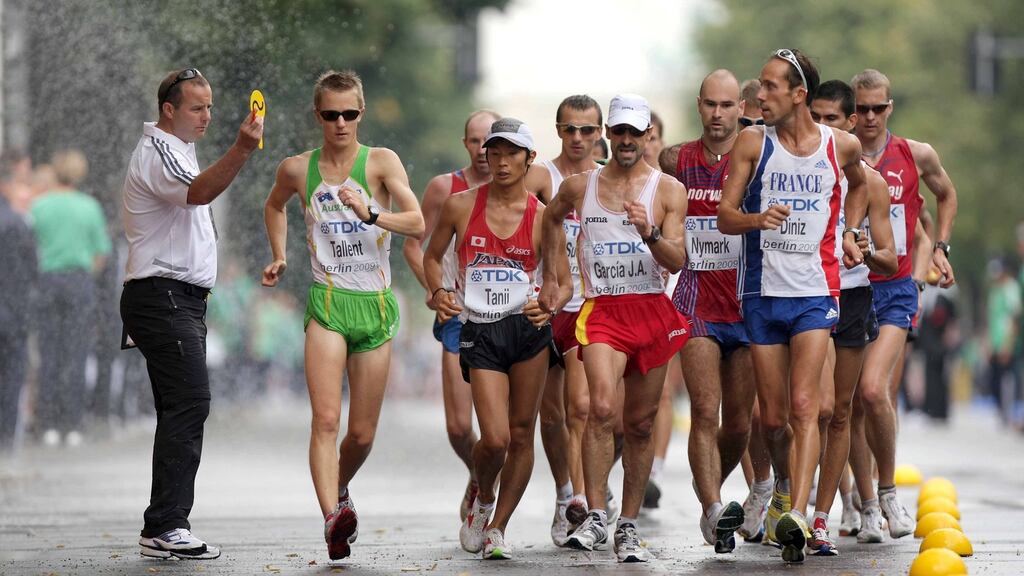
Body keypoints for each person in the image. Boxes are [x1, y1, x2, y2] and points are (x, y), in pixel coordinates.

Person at [261, 70, 423, 561]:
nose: (340, 123)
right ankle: (332, 517)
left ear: (361, 113)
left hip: (374, 307)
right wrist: (280, 253)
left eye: (349, 114)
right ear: (318, 115)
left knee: (361, 433)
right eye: (330, 114)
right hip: (328, 304)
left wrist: (371, 214)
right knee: (326, 420)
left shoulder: (380, 163)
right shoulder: (297, 169)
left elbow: (416, 222)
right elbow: (274, 207)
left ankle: (340, 486)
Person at [717, 49, 868, 563]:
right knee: (774, 417)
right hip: (762, 292)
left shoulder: (839, 146)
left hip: (815, 292)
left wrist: (849, 230)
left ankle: (796, 517)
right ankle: (784, 486)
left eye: (770, 87)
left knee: (808, 408)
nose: (760, 95)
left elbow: (863, 186)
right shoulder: (751, 144)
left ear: (798, 94)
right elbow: (723, 217)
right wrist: (757, 220)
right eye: (760, 86)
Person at [540, 93, 690, 563]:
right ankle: (596, 514)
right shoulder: (580, 187)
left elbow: (679, 258)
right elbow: (548, 220)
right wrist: (557, 279)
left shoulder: (667, 191)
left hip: (649, 310)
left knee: (641, 424)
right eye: (618, 131)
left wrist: (649, 233)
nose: (626, 140)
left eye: (634, 132)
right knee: (600, 407)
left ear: (648, 136)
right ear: (610, 133)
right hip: (601, 309)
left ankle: (627, 524)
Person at [121, 67, 263, 560]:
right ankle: (165, 524)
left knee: (179, 406)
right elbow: (199, 192)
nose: (207, 116)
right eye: (197, 108)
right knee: (191, 402)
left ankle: (163, 523)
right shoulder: (159, 151)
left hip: (176, 298)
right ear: (169, 109)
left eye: (210, 107)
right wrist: (243, 149)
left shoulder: (181, 149)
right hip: (161, 295)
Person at [425, 117, 571, 560]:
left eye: (512, 152)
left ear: (529, 158)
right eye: (495, 152)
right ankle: (483, 495)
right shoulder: (460, 205)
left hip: (527, 331)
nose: (502, 161)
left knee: (523, 433)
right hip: (480, 330)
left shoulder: (544, 217)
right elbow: (433, 257)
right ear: (485, 155)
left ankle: (498, 527)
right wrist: (439, 292)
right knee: (495, 439)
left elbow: (563, 283)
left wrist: (549, 304)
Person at [848, 68, 958, 543]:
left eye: (879, 108)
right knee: (848, 404)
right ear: (854, 110)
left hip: (895, 290)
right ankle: (866, 504)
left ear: (889, 108)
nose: (870, 117)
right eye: (863, 109)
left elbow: (946, 195)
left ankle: (888, 491)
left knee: (874, 391)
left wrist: (940, 249)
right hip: (850, 287)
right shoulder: (839, 154)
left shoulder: (915, 154)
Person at [658, 69, 756, 553]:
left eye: (726, 105)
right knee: (704, 410)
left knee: (738, 424)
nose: (717, 115)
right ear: (699, 105)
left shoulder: (758, 156)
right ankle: (714, 508)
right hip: (695, 304)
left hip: (746, 306)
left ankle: (712, 488)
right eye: (709, 105)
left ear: (741, 107)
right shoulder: (676, 160)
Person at [806, 80, 899, 556]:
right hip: (805, 297)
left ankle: (825, 514)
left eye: (831, 120)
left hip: (854, 300)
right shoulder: (794, 168)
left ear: (848, 128)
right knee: (810, 409)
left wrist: (862, 250)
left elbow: (889, 258)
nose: (822, 128)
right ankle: (790, 497)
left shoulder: (871, 182)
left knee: (841, 411)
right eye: (814, 117)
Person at [403, 109, 501, 522]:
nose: (483, 150)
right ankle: (477, 474)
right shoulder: (446, 188)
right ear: (465, 144)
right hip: (458, 315)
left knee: (501, 430)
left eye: (490, 142)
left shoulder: (518, 189)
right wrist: (434, 289)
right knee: (460, 428)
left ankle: (487, 490)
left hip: (502, 316)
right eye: (475, 141)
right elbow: (415, 245)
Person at [524, 94, 604, 545]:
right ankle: (563, 493)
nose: (577, 138)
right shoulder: (540, 176)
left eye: (587, 130)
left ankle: (580, 504)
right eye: (570, 129)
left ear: (600, 135)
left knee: (581, 408)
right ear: (558, 130)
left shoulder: (607, 180)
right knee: (549, 417)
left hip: (583, 308)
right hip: (540, 305)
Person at [31, 149, 112, 447]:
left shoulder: (40, 206)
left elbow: (30, 244)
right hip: (78, 282)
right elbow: (101, 252)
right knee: (76, 353)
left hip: (48, 280)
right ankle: (73, 422)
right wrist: (86, 272)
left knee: (49, 352)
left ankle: (47, 423)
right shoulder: (89, 207)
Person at [0, 160, 37, 452]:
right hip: (13, 313)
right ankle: (6, 435)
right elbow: (32, 269)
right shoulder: (18, 223)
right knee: (11, 374)